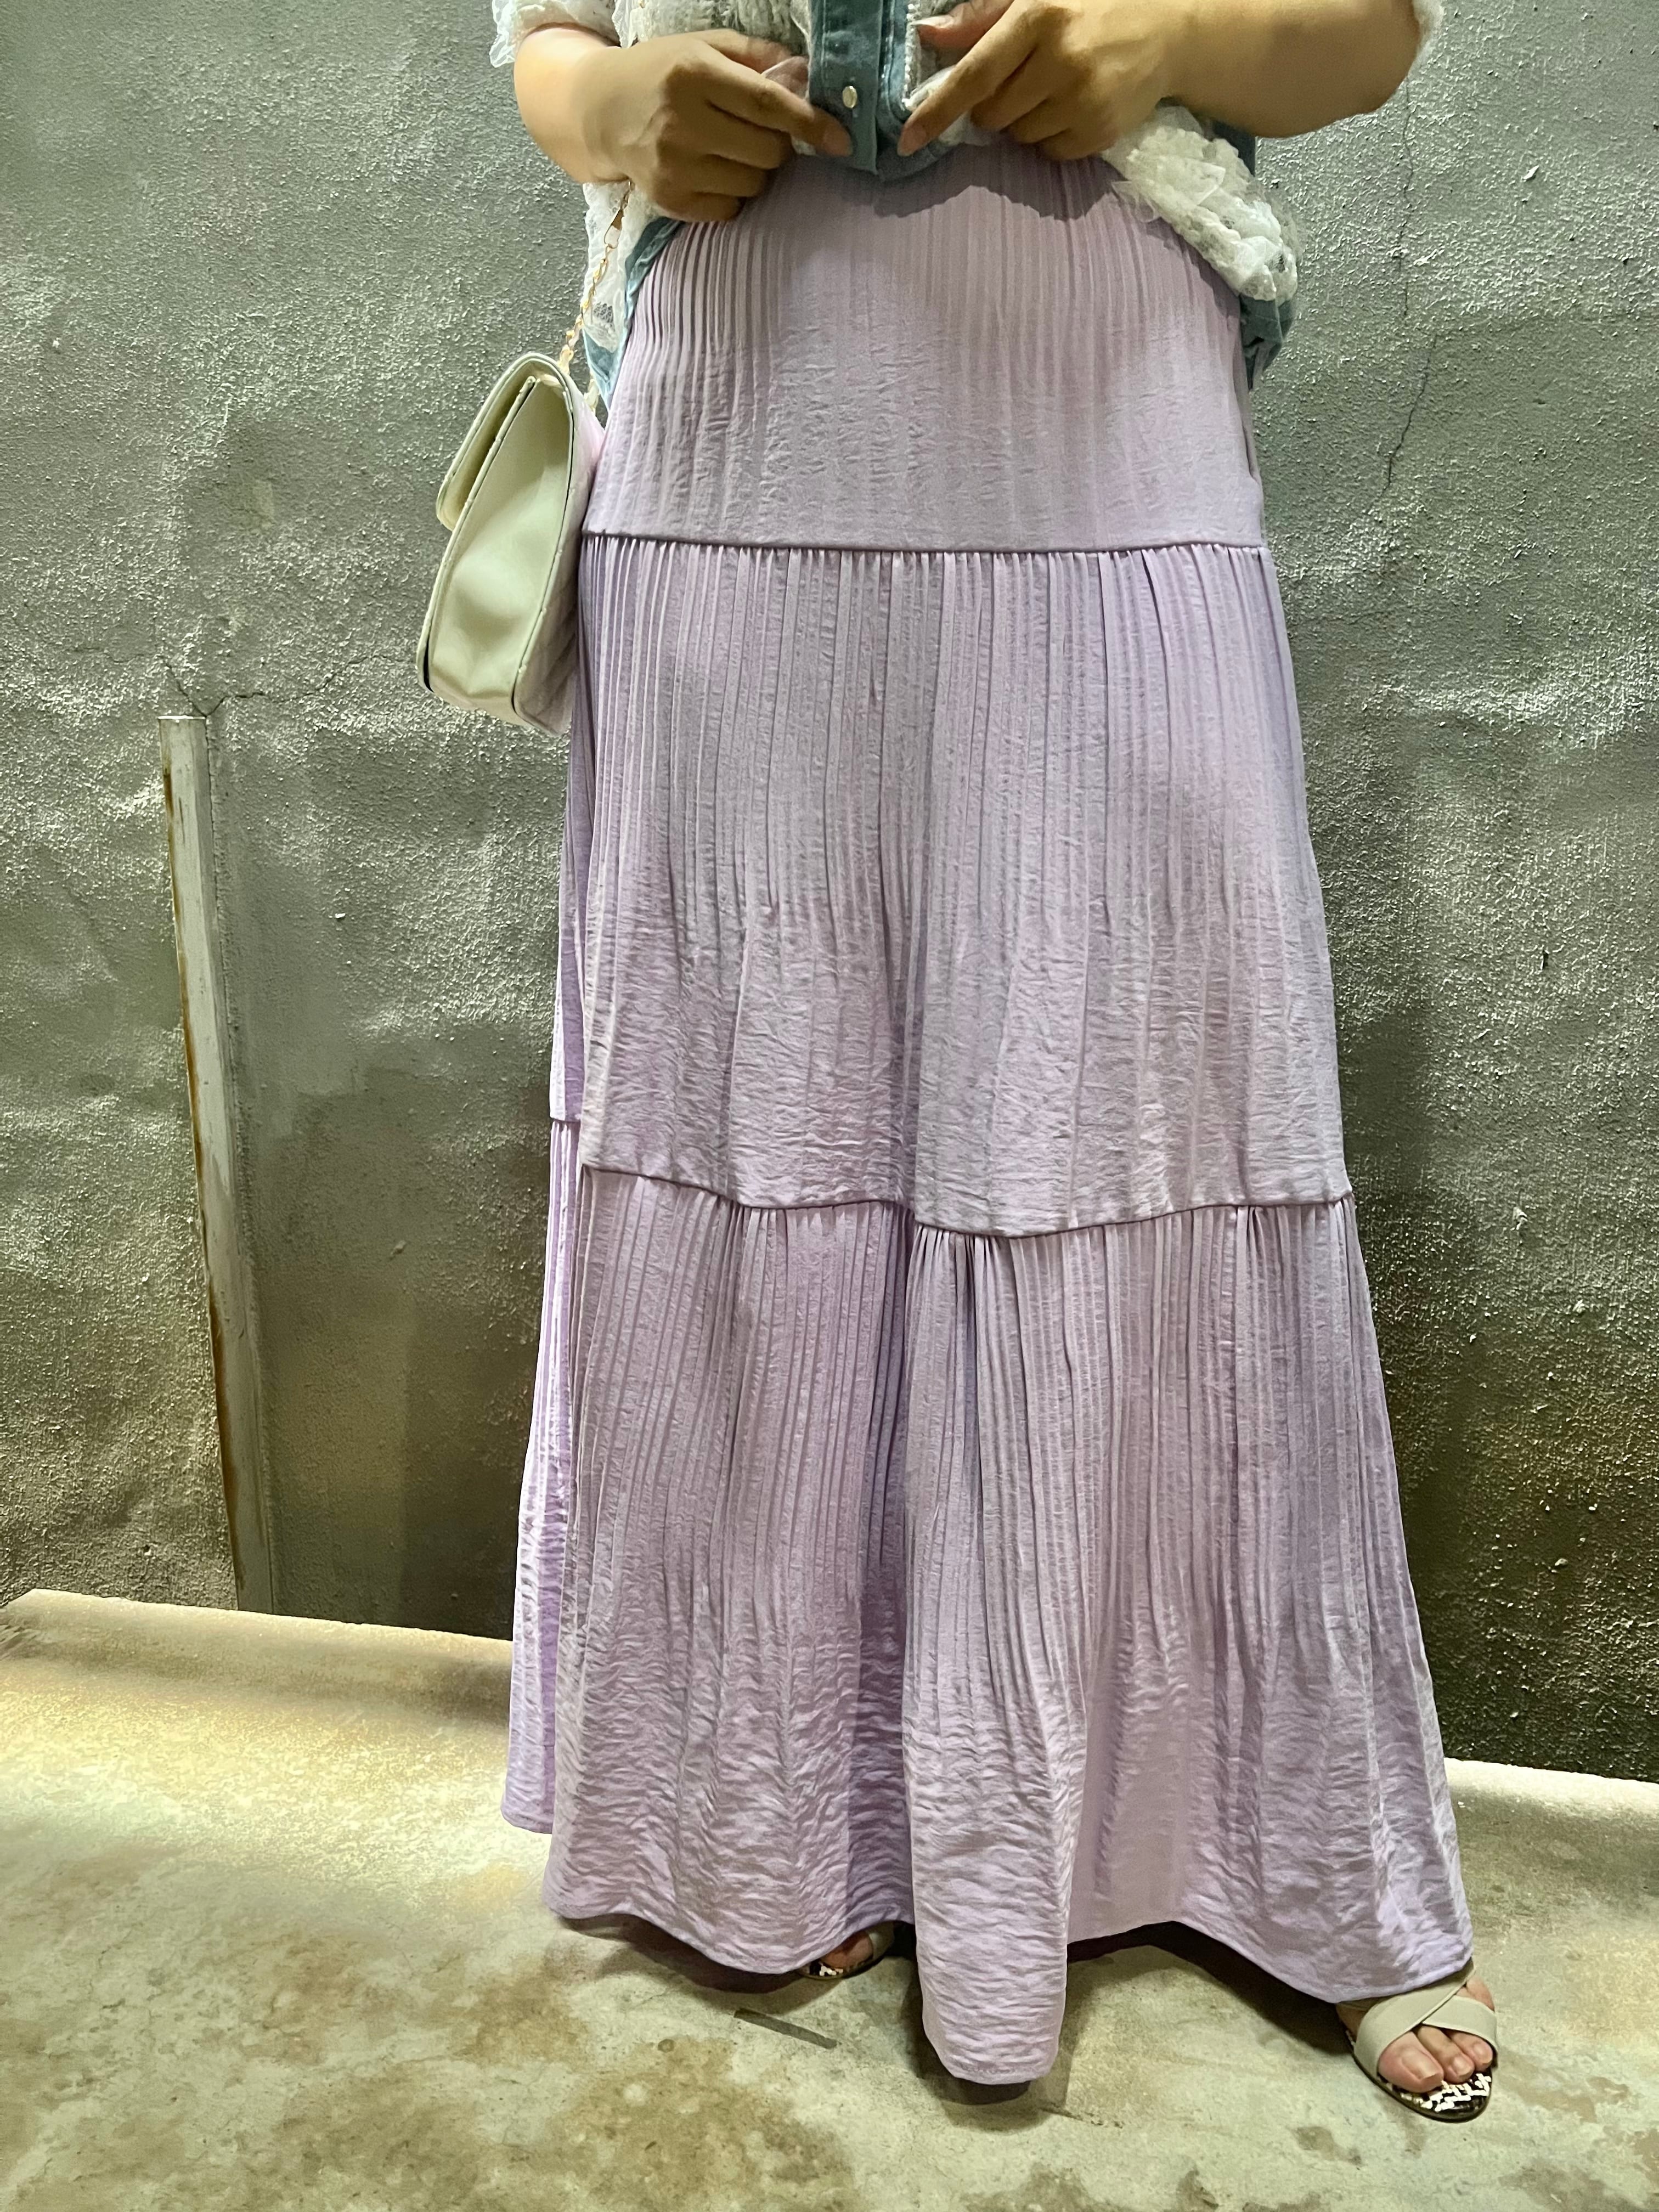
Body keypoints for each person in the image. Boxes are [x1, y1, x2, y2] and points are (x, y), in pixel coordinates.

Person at [493, 0, 1500, 2121]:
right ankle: (790, 1814)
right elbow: (549, 40)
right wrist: (615, 107)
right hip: (728, 476)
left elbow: (1374, 33)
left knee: (1159, 1131)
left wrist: (1167, 35)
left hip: (1107, 445)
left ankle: (1260, 1835)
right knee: (761, 1130)